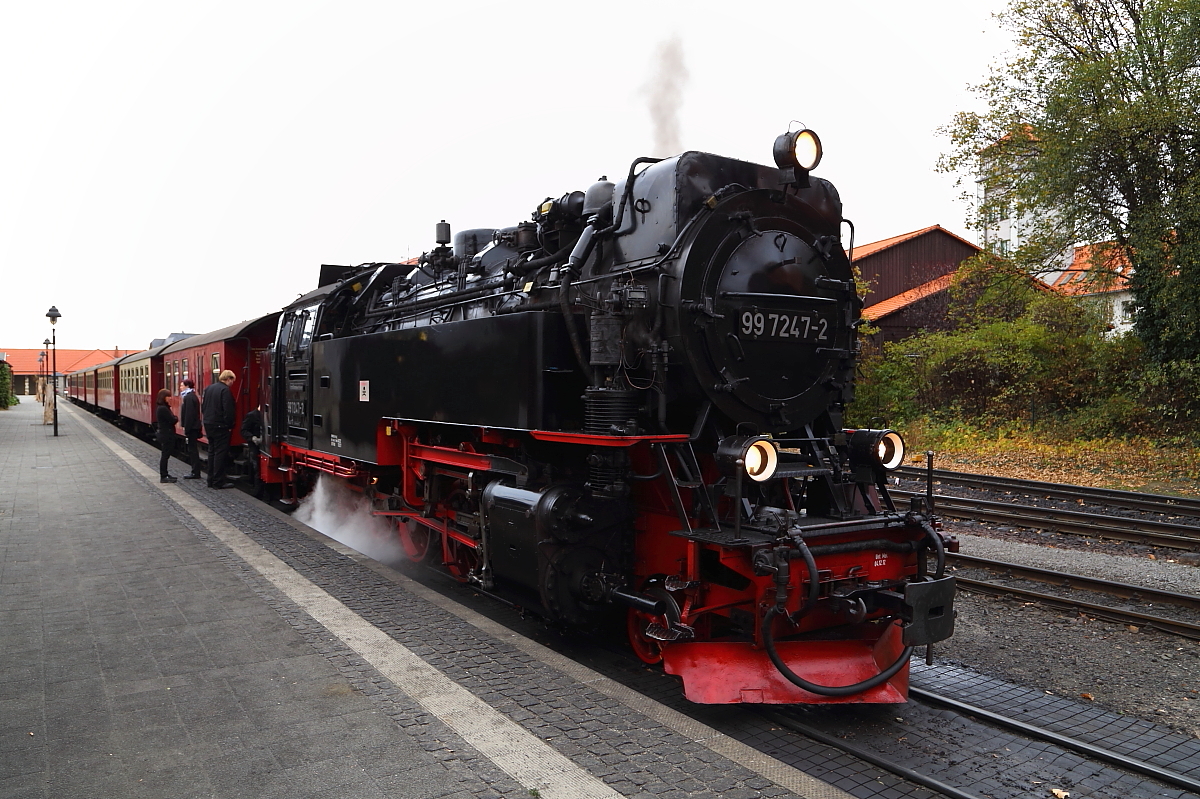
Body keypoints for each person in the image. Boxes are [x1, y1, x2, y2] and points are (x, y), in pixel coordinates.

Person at [202, 369, 237, 489]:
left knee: (211, 451)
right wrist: (229, 425)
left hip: (208, 424)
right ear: (228, 379)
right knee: (220, 453)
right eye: (232, 380)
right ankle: (218, 481)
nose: (232, 383)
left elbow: (203, 407)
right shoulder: (225, 390)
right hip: (220, 425)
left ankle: (210, 480)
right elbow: (228, 410)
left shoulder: (209, 388)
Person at [179, 378, 202, 479]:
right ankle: (195, 471)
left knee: (192, 450)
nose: (180, 387)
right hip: (194, 427)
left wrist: (186, 429)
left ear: (187, 386)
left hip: (192, 428)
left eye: (182, 385)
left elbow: (189, 415)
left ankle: (195, 472)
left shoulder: (188, 398)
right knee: (193, 450)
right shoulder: (192, 397)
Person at [155, 388, 178, 483]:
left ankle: (165, 474)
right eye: (168, 396)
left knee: (165, 455)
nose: (170, 398)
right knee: (165, 455)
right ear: (163, 397)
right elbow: (172, 420)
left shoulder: (162, 407)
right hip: (166, 434)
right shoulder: (163, 409)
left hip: (165, 433)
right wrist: (176, 418)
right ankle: (163, 476)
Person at [240, 403, 264, 491]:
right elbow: (243, 430)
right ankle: (257, 489)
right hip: (255, 445)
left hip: (264, 444)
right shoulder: (251, 415)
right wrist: (252, 438)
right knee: (256, 467)